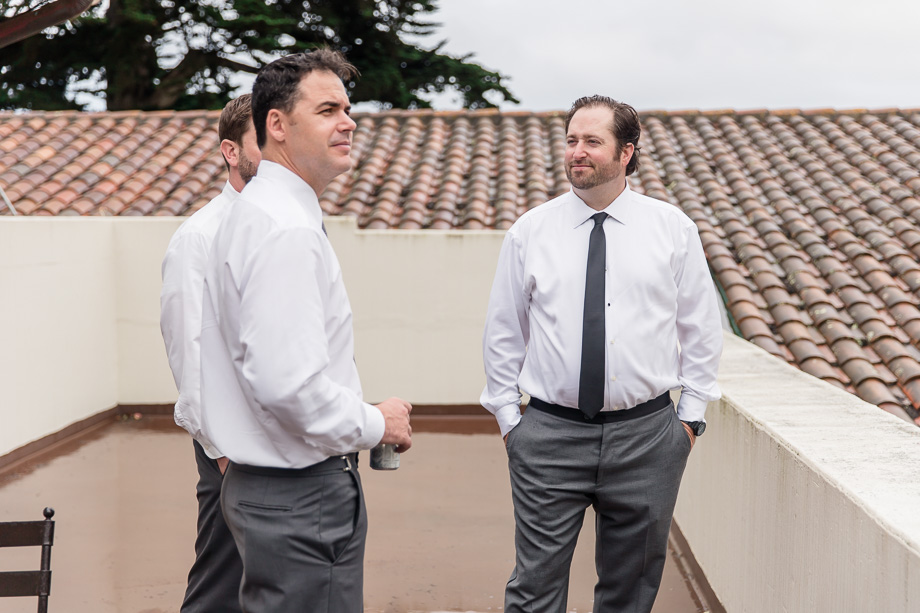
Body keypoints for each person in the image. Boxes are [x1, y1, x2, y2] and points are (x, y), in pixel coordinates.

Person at [481, 95, 723, 613]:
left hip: (648, 438)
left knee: (630, 589)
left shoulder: (672, 229)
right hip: (548, 436)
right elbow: (505, 331)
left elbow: (701, 328)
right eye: (571, 140)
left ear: (626, 152)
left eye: (592, 141)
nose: (576, 152)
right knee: (533, 590)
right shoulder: (530, 231)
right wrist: (509, 419)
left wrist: (689, 420)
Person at [198, 49, 413, 612]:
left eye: (348, 108)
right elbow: (287, 385)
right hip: (299, 497)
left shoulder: (252, 215)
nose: (349, 122)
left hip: (271, 490)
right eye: (327, 110)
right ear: (277, 125)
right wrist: (376, 422)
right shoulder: (284, 231)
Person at [160, 93, 260, 613]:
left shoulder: (291, 227)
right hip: (230, 449)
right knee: (220, 586)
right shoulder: (197, 238)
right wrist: (220, 450)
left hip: (282, 444)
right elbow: (187, 350)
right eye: (260, 141)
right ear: (230, 151)